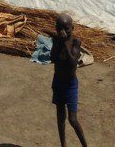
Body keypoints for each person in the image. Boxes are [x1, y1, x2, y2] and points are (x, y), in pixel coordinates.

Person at [51, 13, 88, 147]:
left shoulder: (75, 42)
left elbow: (73, 62)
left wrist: (65, 43)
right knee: (61, 118)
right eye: (59, 28)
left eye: (66, 28)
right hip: (58, 83)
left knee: (72, 119)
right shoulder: (56, 40)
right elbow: (52, 58)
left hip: (70, 85)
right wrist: (57, 43)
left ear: (72, 28)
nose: (63, 31)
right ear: (56, 28)